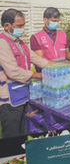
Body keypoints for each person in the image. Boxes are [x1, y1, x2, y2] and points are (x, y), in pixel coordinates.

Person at [0, 9, 49, 139]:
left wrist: (59, 67)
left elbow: (38, 60)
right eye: (19, 26)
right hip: (9, 100)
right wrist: (39, 75)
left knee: (23, 134)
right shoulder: (2, 43)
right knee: (11, 137)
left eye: (23, 25)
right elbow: (13, 71)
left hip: (22, 95)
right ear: (7, 26)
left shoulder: (20, 43)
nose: (22, 28)